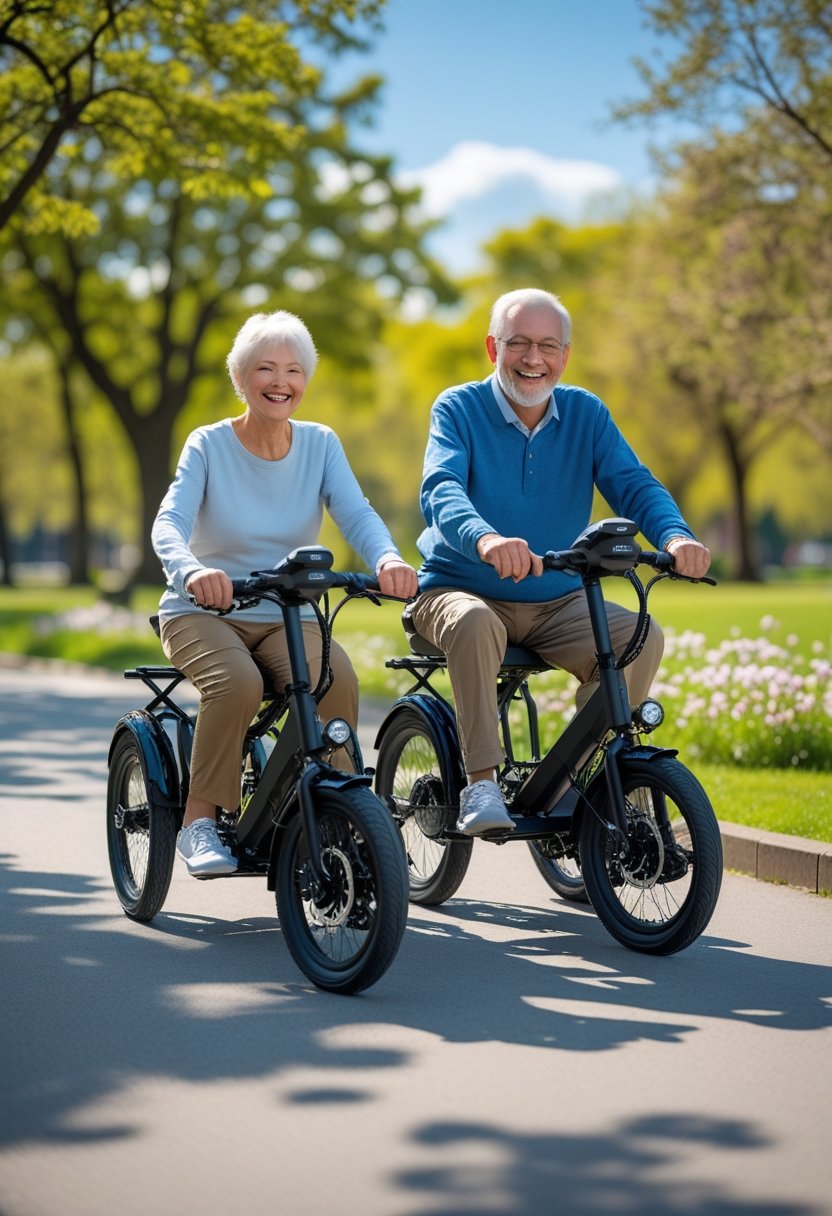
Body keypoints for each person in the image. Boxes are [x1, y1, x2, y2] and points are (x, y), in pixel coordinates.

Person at [410, 287, 711, 836]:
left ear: (565, 355)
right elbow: (441, 489)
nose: (533, 358)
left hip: (556, 599)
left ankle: (571, 783)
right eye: (519, 343)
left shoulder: (586, 414)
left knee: (640, 636)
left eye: (548, 345)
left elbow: (634, 484)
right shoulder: (458, 408)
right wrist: (484, 540)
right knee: (475, 621)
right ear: (491, 347)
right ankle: (480, 781)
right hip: (459, 591)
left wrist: (674, 534)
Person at [152, 310, 418, 877]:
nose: (281, 381)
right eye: (266, 368)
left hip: (284, 610)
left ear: (305, 381)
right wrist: (193, 570)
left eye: (294, 370)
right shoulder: (209, 445)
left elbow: (357, 513)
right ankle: (199, 821)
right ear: (241, 378)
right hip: (203, 609)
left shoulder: (320, 444)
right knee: (238, 683)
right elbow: (167, 524)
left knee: (334, 679)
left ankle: (336, 807)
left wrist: (387, 558)